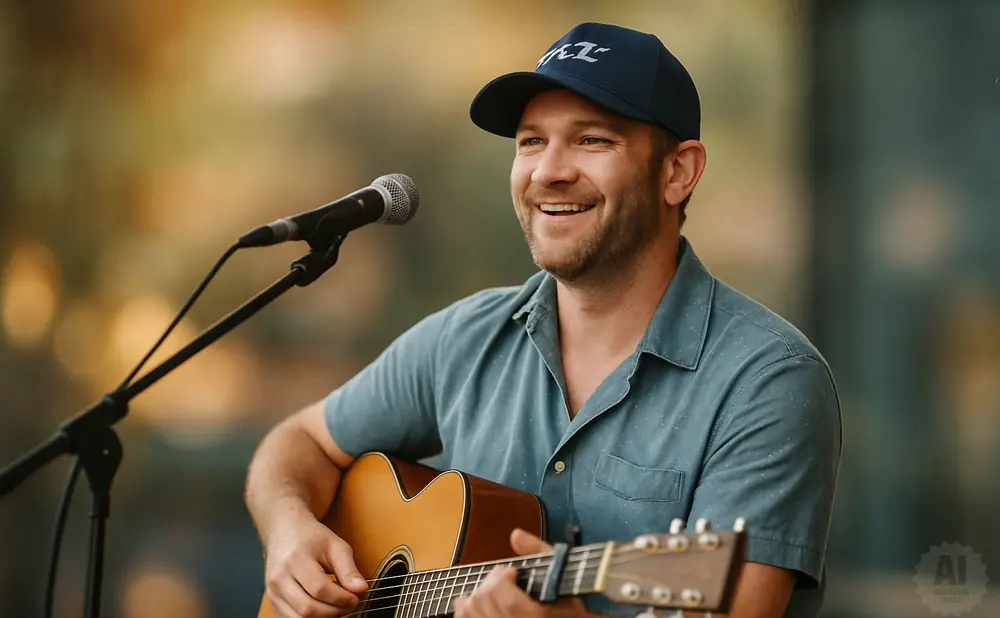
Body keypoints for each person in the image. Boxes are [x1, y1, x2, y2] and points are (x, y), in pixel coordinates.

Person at [245, 22, 842, 618]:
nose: (547, 171)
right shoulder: (463, 339)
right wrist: (289, 529)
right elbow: (298, 443)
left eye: (592, 141)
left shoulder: (768, 381)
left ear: (677, 172)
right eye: (531, 142)